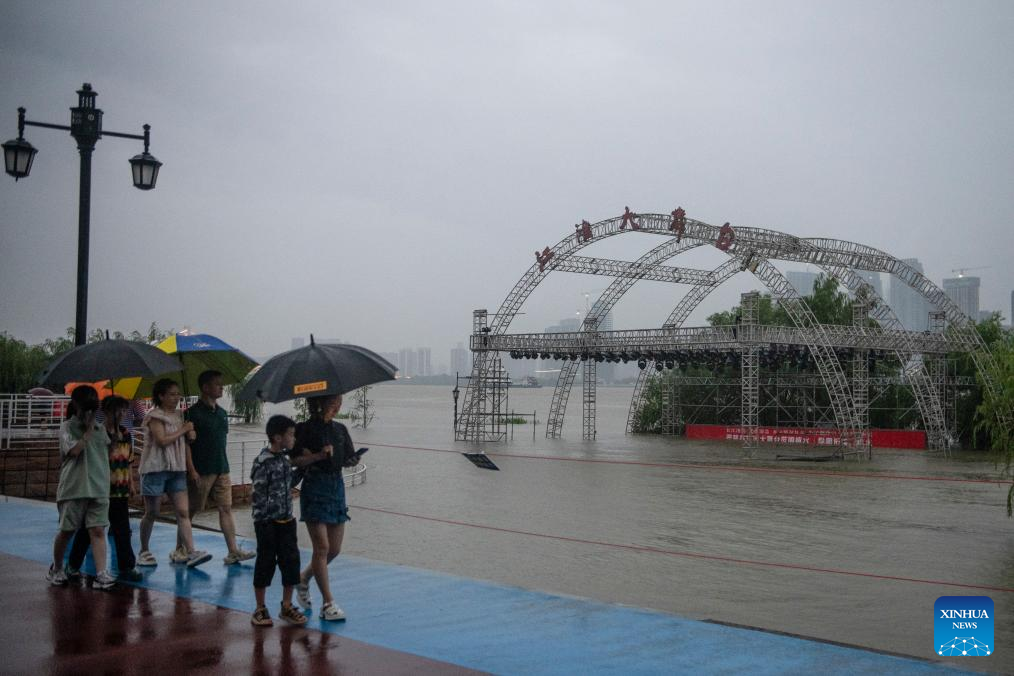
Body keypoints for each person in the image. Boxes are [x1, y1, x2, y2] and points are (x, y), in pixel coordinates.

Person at [291, 394, 359, 621]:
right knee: (321, 548)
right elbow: (295, 460)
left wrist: (352, 460)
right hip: (315, 486)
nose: (338, 405)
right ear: (321, 403)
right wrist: (319, 455)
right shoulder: (305, 429)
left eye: (339, 402)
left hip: (336, 486)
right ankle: (328, 602)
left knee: (334, 549)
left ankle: (303, 578)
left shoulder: (340, 429)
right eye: (333, 402)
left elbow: (348, 456)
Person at [65, 395, 143, 583]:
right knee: (89, 528)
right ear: (107, 411)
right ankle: (73, 564)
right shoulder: (98, 432)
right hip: (101, 486)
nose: (122, 414)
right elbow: (95, 458)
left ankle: (127, 565)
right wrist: (111, 444)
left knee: (122, 529)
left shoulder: (125, 433)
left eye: (124, 410)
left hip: (120, 487)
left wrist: (131, 482)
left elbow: (128, 460)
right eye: (118, 410)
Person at [181, 370, 255, 565]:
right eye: (217, 384)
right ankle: (180, 548)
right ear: (205, 388)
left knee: (226, 508)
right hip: (201, 469)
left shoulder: (222, 414)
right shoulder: (191, 414)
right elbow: (186, 445)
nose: (221, 387)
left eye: (221, 384)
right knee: (190, 510)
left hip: (222, 466)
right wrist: (191, 469)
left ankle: (233, 551)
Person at [137, 378, 212, 568]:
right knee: (152, 512)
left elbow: (184, 444)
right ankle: (144, 550)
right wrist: (184, 430)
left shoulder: (181, 416)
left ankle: (191, 550)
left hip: (177, 469)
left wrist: (190, 438)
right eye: (171, 394)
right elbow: (162, 440)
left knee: (182, 511)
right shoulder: (154, 416)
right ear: (161, 396)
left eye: (177, 393)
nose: (176, 397)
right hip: (155, 468)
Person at [48, 385, 116, 590]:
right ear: (76, 404)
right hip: (74, 487)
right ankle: (57, 568)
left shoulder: (100, 428)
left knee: (97, 529)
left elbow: (108, 453)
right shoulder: (67, 427)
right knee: (67, 530)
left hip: (98, 486)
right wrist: (86, 431)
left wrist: (114, 429)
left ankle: (102, 572)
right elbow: (74, 451)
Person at [250, 415, 308, 627]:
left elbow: (289, 483)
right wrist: (263, 519)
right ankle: (260, 607)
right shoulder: (263, 462)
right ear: (277, 437)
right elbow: (257, 493)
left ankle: (286, 605)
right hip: (267, 522)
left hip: (286, 520)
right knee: (265, 562)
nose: (293, 439)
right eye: (290, 435)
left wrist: (303, 469)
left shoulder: (284, 461)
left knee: (291, 562)